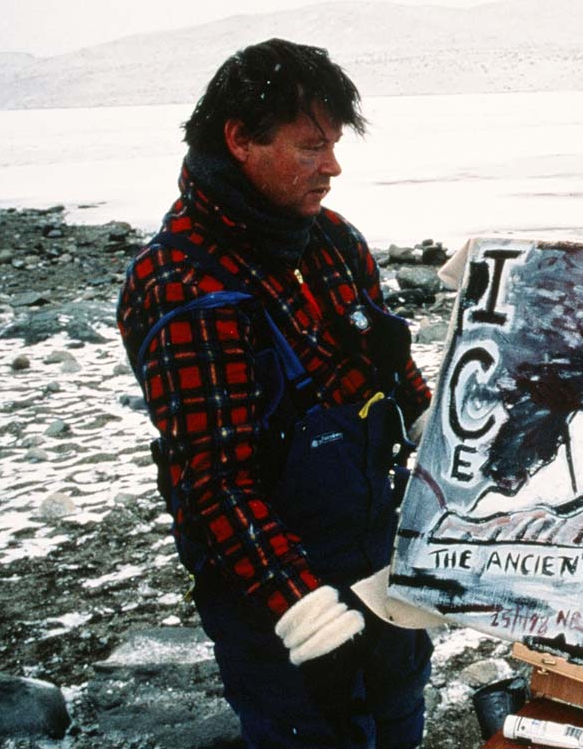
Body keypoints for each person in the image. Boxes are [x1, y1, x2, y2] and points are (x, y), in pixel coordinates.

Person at [118, 38, 432, 748]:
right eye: (310, 146)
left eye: (335, 144)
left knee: (397, 718)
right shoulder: (184, 288)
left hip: (377, 559)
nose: (333, 166)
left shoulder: (330, 243)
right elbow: (214, 482)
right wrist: (307, 618)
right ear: (240, 140)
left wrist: (436, 423)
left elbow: (384, 364)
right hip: (274, 600)